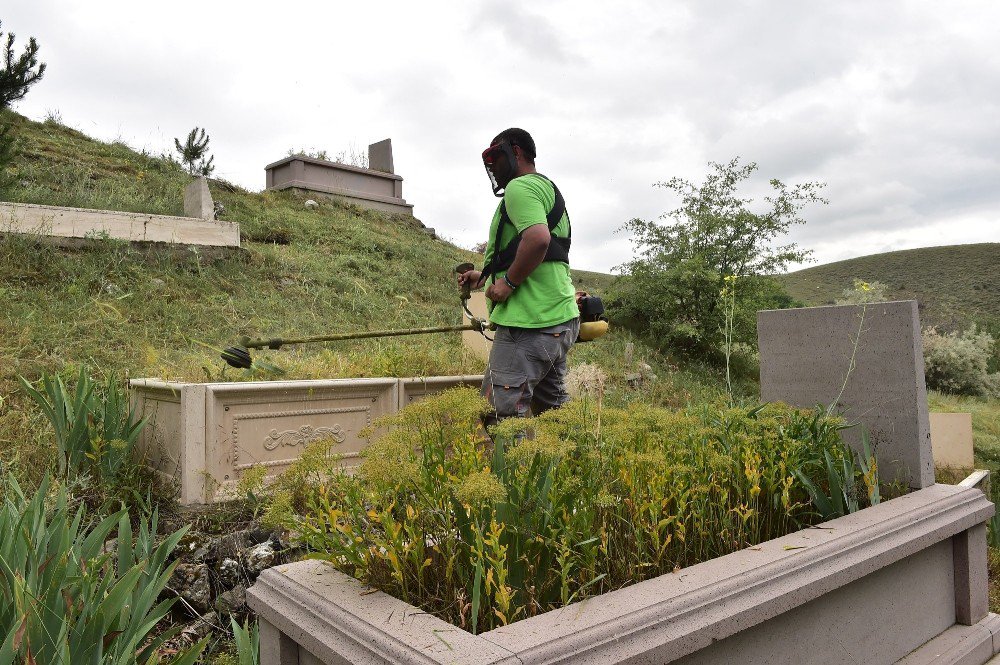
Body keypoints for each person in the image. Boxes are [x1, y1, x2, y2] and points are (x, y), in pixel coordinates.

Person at [457, 128, 579, 425]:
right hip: (557, 321)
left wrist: (508, 284)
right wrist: (484, 278)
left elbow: (538, 241)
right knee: (554, 417)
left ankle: (514, 473)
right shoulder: (545, 189)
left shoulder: (520, 188)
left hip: (530, 324)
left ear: (517, 152)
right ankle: (576, 469)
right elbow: (541, 256)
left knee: (501, 417)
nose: (493, 168)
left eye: (496, 158)